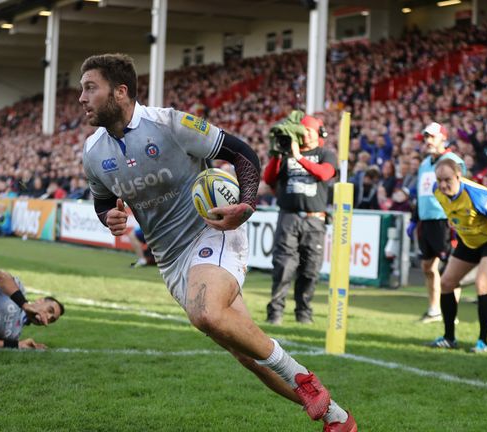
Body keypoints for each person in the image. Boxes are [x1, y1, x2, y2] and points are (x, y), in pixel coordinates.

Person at [79, 53, 356, 431]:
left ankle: (305, 380)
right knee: (245, 353)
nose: (82, 98)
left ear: (121, 91)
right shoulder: (94, 152)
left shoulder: (170, 124)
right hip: (170, 258)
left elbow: (243, 154)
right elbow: (102, 201)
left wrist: (246, 205)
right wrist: (109, 216)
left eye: (90, 88)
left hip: (211, 231)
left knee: (206, 313)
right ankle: (337, 419)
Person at [428, 158, 487, 353]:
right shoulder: (437, 192)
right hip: (468, 240)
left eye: (447, 180)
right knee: (446, 283)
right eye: (439, 180)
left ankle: (482, 342)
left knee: (482, 284)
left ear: (459, 176)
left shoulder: (476, 195)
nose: (443, 185)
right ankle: (449, 338)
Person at [262, 113, 336, 326]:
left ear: (317, 133)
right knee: (283, 266)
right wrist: (278, 154)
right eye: (303, 131)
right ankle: (275, 313)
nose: (305, 135)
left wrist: (300, 158)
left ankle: (303, 313)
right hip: (289, 217)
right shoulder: (285, 155)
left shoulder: (325, 154)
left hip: (315, 220)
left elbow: (324, 174)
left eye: (309, 131)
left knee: (310, 269)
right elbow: (268, 179)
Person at [407, 123, 465, 324]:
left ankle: (452, 312)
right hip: (426, 221)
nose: (428, 141)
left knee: (449, 270)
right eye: (426, 138)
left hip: (445, 221)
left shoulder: (453, 161)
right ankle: (434, 309)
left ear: (443, 138)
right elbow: (422, 194)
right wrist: (414, 219)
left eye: (432, 137)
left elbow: (462, 190)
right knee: (427, 267)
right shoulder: (424, 164)